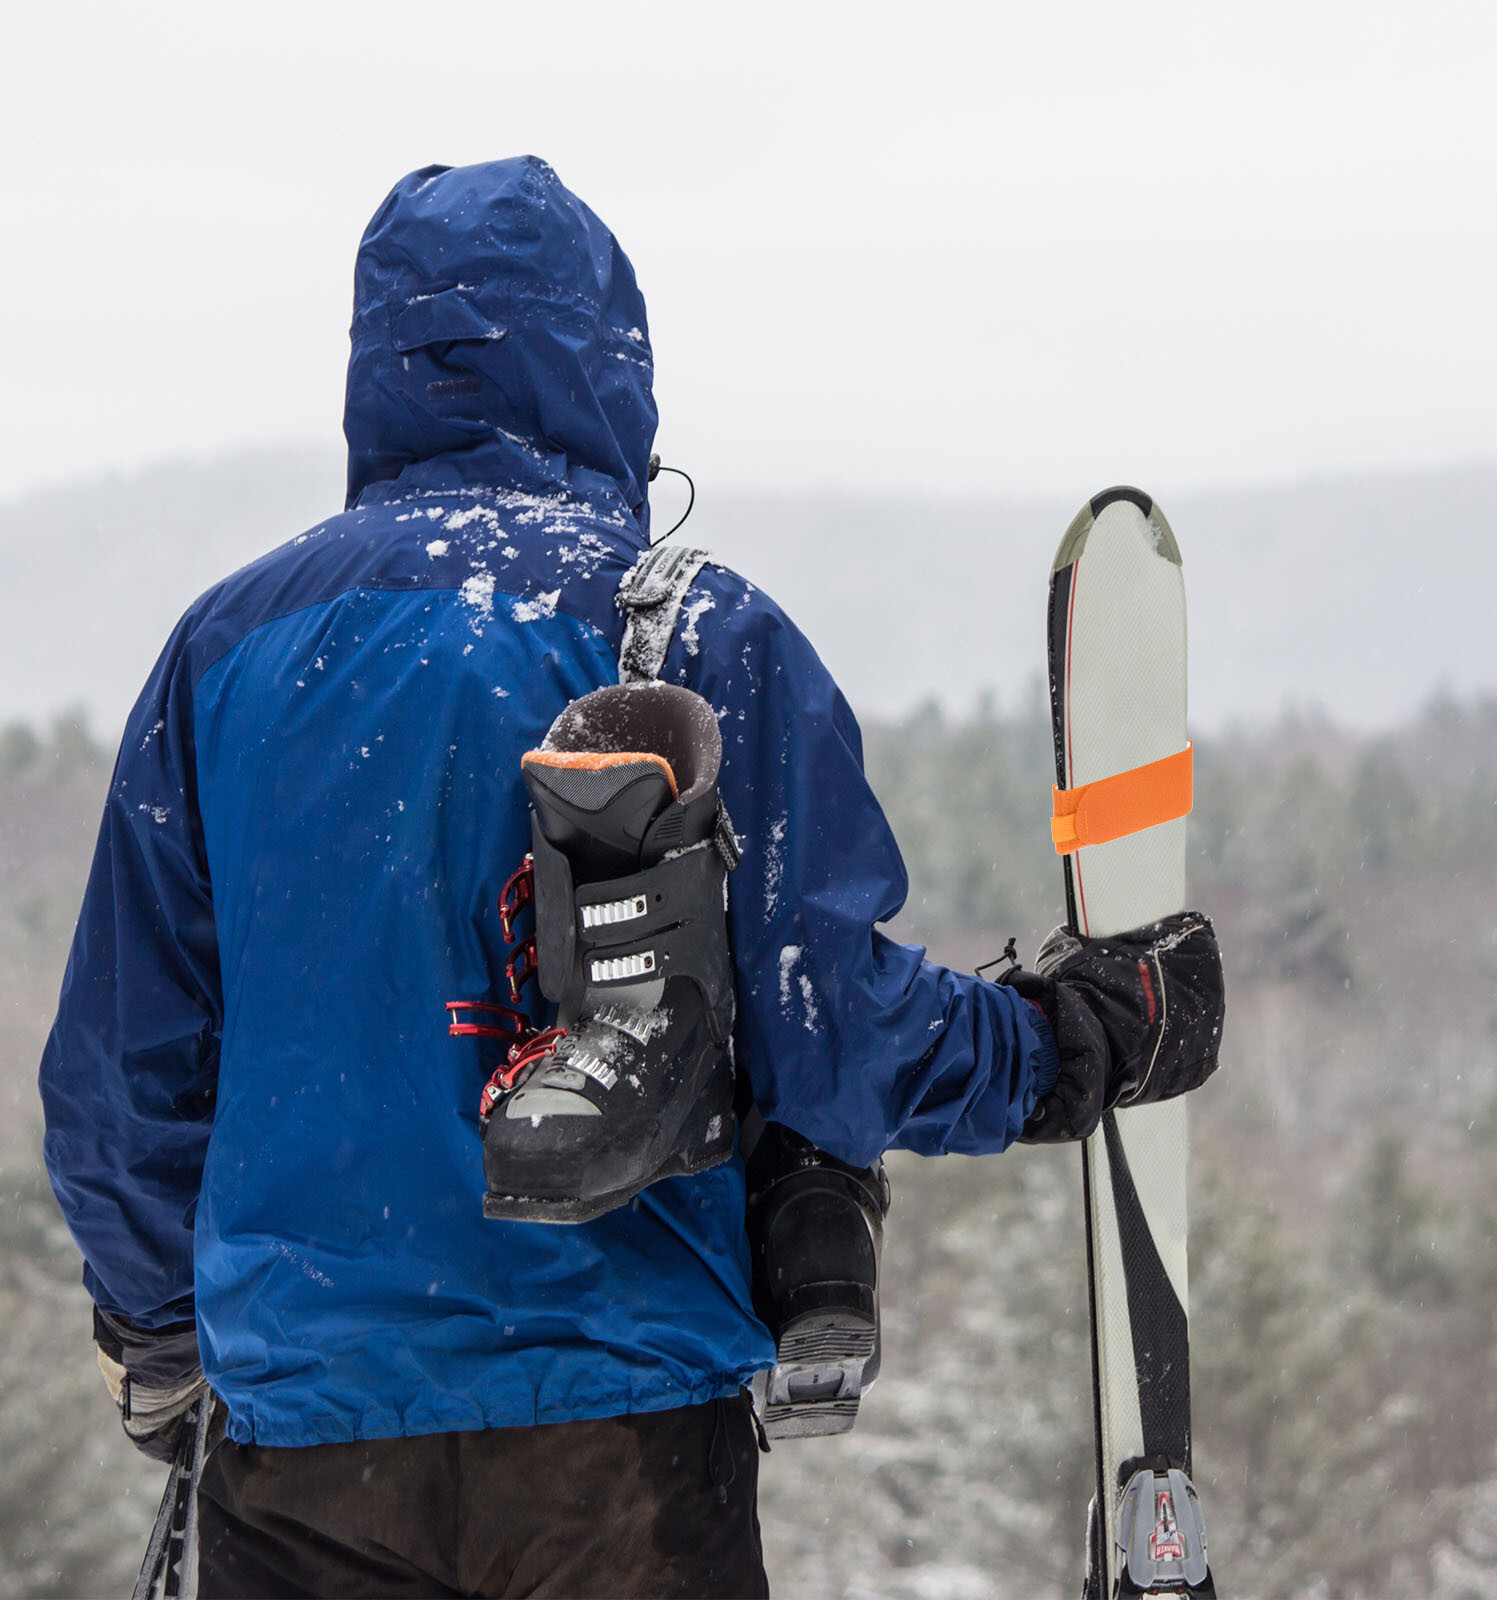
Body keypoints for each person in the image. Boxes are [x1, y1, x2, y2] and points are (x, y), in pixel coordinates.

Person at [39, 156, 1223, 1599]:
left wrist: (160, 1330)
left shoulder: (221, 657)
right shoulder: (697, 627)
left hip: (304, 1457)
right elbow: (832, 1027)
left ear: (379, 372)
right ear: (609, 368)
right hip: (621, 1445)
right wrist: (1063, 1041)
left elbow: (120, 1079)